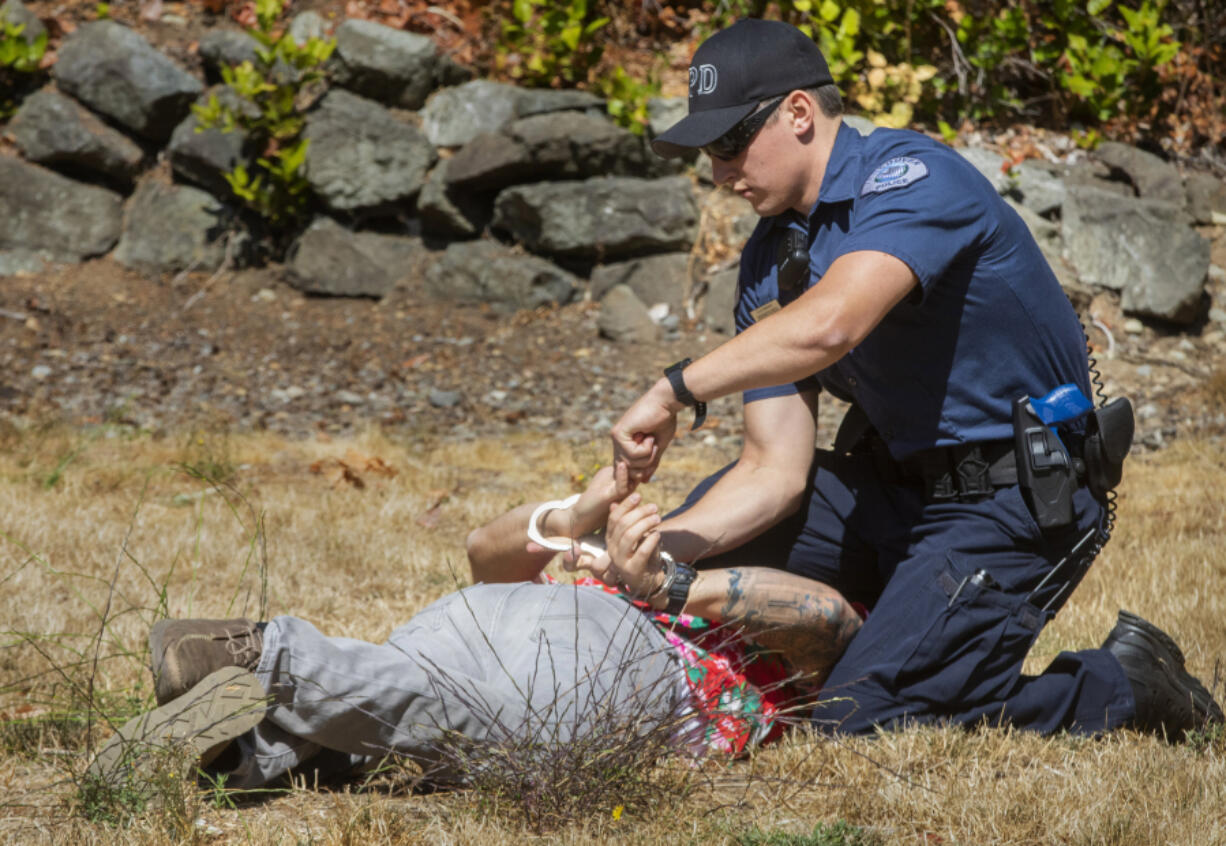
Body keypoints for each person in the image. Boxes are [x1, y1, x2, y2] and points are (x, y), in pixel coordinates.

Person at [608, 18, 1223, 739]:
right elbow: (772, 470)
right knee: (716, 525)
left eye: (728, 142)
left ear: (799, 113)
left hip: (1012, 501)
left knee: (858, 720)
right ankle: (898, 637)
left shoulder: (913, 181)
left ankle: (1125, 684)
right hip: (898, 494)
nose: (717, 172)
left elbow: (831, 324)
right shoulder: (770, 255)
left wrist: (673, 387)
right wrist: (650, 562)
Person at [87, 466, 864, 791]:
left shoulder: (765, 616)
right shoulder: (648, 572)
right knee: (443, 709)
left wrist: (670, 582)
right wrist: (579, 513)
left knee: (392, 724)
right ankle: (262, 657)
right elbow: (484, 556)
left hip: (517, 639)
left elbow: (829, 620)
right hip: (588, 652)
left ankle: (237, 757)